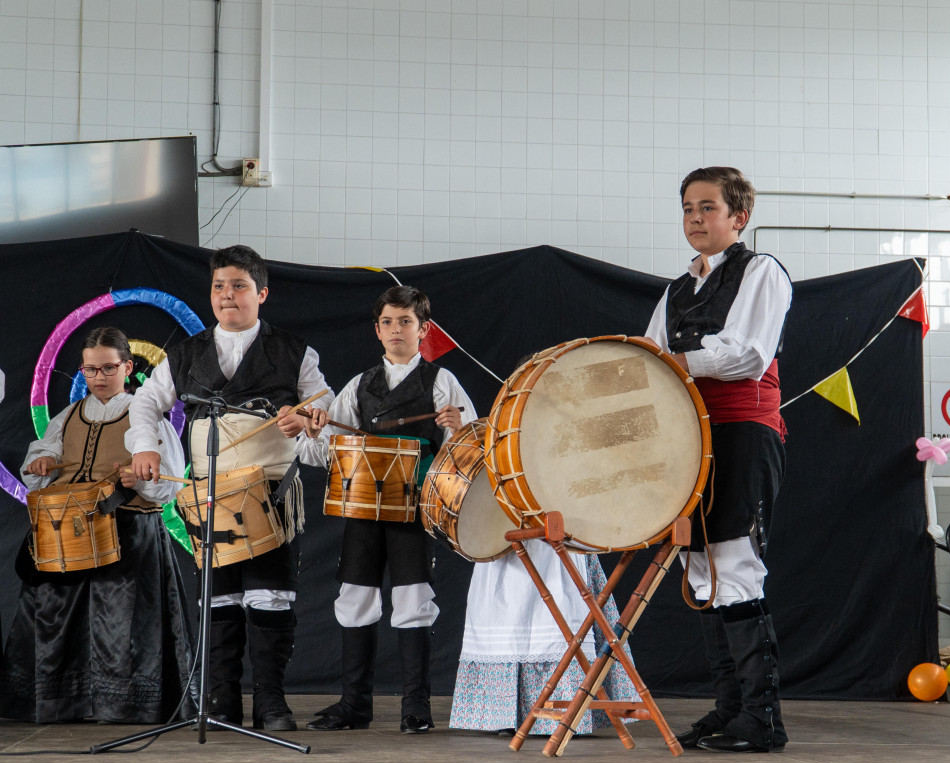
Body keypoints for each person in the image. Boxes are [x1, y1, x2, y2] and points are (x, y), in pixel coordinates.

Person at [127, 245, 333, 732]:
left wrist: (306, 422)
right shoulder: (185, 353)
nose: (227, 295)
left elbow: (321, 419)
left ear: (261, 293)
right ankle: (220, 700)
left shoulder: (296, 353)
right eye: (219, 286)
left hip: (271, 494)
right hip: (209, 495)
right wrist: (145, 447)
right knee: (218, 600)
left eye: (239, 286)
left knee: (270, 596)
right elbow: (145, 404)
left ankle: (271, 701)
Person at [644, 166, 792, 753]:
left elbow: (748, 355)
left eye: (707, 207)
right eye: (687, 208)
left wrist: (679, 360)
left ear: (739, 217)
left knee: (733, 561)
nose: (695, 218)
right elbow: (650, 355)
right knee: (699, 569)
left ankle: (763, 719)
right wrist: (674, 360)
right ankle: (730, 709)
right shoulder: (675, 290)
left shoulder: (762, 271)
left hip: (741, 429)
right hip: (687, 437)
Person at [298, 285, 475, 734]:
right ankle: (354, 705)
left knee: (413, 601)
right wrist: (313, 431)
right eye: (389, 322)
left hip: (415, 511)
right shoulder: (358, 386)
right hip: (361, 510)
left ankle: (416, 707)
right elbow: (326, 454)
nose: (397, 330)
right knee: (355, 598)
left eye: (407, 322)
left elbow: (470, 455)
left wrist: (458, 428)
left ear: (424, 329)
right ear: (377, 330)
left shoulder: (443, 383)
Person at [0, 327, 195, 723]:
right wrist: (39, 466)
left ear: (127, 366)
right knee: (54, 616)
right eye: (90, 370)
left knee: (122, 628)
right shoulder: (67, 416)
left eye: (108, 367)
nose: (99, 377)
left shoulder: (146, 415)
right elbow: (42, 459)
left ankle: (122, 706)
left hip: (129, 535)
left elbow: (170, 481)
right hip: (67, 535)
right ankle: (61, 704)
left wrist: (139, 480)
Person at [449, 539, 638, 736]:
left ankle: (562, 712)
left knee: (561, 609)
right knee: (507, 615)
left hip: (556, 539)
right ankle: (504, 715)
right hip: (504, 539)